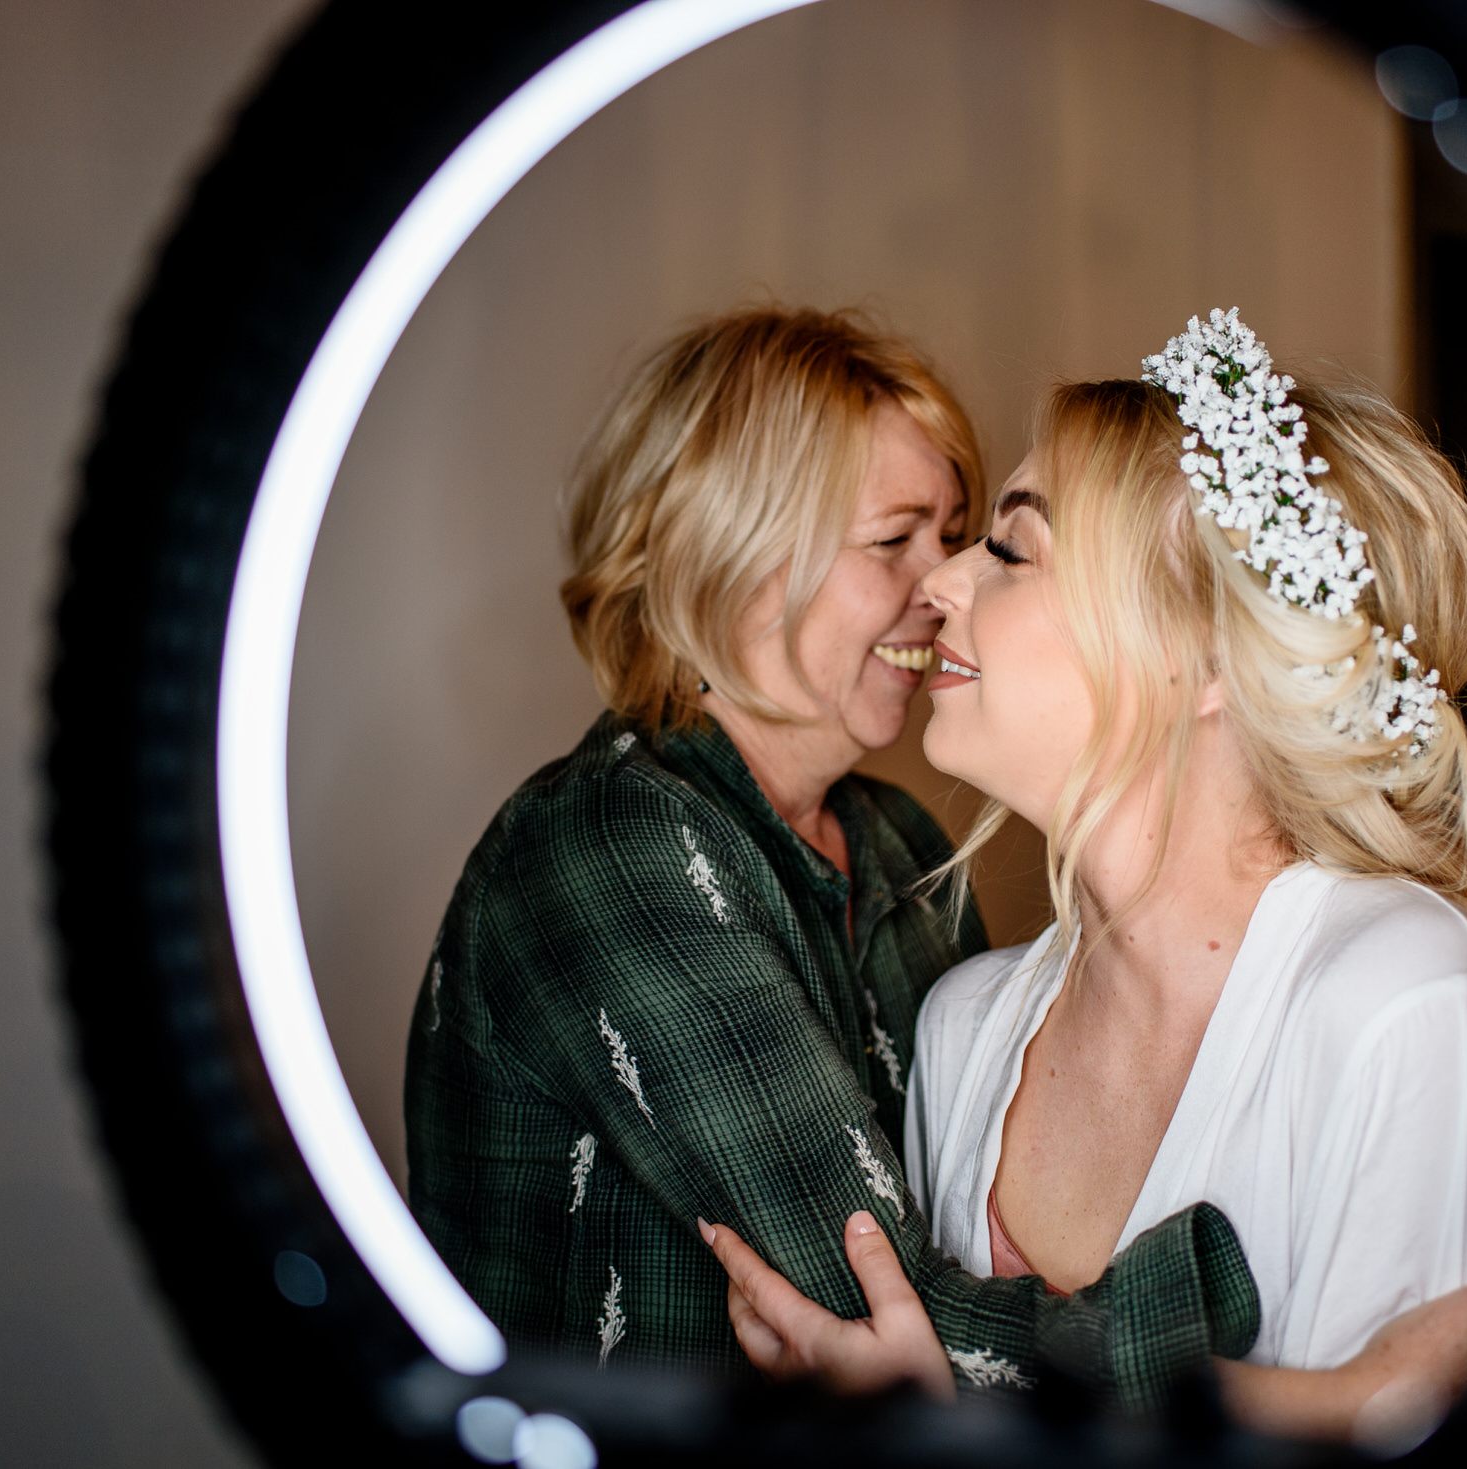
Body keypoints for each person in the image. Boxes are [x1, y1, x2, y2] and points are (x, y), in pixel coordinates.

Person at [705, 312, 1467, 1441]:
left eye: (1007, 549)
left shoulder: (1401, 1007)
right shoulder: (964, 1029)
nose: (941, 584)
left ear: (1203, 655)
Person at [404, 306, 1260, 1406]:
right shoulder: (605, 843)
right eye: (892, 539)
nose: (944, 582)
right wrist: (1278, 1301)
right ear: (730, 554)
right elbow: (880, 1312)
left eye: (955, 532)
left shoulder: (898, 837)